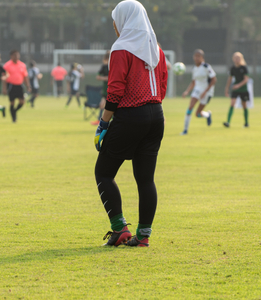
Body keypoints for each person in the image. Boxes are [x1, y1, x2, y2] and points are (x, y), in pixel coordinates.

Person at [94, 0, 168, 248]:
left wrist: (103, 124)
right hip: (156, 115)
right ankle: (143, 235)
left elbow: (115, 91)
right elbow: (163, 85)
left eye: (115, 19)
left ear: (123, 19)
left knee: (103, 172)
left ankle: (119, 229)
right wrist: (151, 107)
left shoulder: (121, 48)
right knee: (145, 179)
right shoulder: (156, 49)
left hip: (130, 115)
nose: (114, 25)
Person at [180, 49, 216, 134]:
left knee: (198, 114)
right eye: (195, 56)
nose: (196, 58)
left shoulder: (206, 66)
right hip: (197, 89)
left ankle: (207, 115)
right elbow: (193, 82)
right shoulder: (194, 68)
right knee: (190, 107)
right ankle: (185, 130)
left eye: (198, 56)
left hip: (207, 91)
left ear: (202, 57)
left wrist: (205, 91)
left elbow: (214, 80)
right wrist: (187, 91)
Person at [223, 52, 250, 128]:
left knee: (244, 106)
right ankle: (228, 122)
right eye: (235, 58)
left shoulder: (244, 68)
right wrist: (227, 88)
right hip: (235, 89)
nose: (237, 60)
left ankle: (246, 123)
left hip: (243, 89)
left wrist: (238, 85)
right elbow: (230, 79)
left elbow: (246, 79)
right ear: (233, 59)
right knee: (232, 103)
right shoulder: (233, 68)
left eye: (238, 58)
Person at [3, 50, 31, 122]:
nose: (16, 57)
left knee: (22, 102)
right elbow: (4, 77)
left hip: (19, 85)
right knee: (12, 102)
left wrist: (28, 86)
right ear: (11, 56)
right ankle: (14, 118)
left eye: (18, 55)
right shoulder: (7, 65)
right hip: (11, 85)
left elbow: (25, 76)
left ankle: (14, 111)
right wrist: (4, 88)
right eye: (15, 55)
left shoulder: (22, 65)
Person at [91, 51, 110, 126]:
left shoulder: (115, 66)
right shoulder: (104, 67)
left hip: (113, 89)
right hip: (106, 89)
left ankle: (103, 120)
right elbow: (97, 76)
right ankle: (99, 119)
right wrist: (105, 78)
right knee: (102, 104)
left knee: (108, 105)